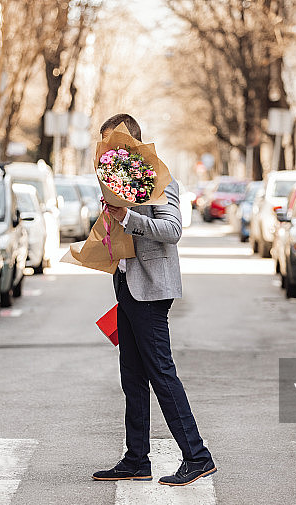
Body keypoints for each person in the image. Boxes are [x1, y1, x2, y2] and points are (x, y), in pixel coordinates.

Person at [92, 113, 216, 486]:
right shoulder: (118, 180)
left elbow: (172, 231)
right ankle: (136, 460)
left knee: (162, 374)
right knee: (132, 377)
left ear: (133, 143)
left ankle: (197, 456)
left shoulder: (160, 180)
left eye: (114, 142)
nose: (108, 150)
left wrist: (129, 217)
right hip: (127, 288)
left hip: (151, 293)